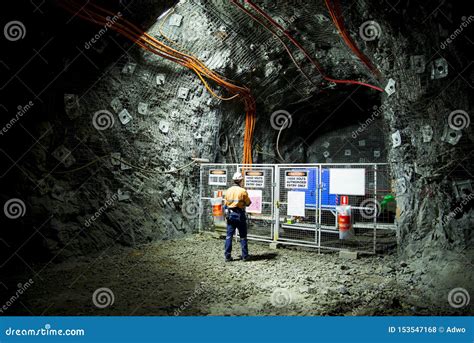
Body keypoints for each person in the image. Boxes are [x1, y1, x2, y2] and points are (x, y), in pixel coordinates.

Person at [223, 172, 252, 262]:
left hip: (230, 215)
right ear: (240, 181)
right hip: (240, 215)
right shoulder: (242, 191)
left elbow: (225, 204)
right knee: (243, 236)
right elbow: (248, 203)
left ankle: (227, 256)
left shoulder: (228, 190)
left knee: (229, 236)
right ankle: (245, 256)